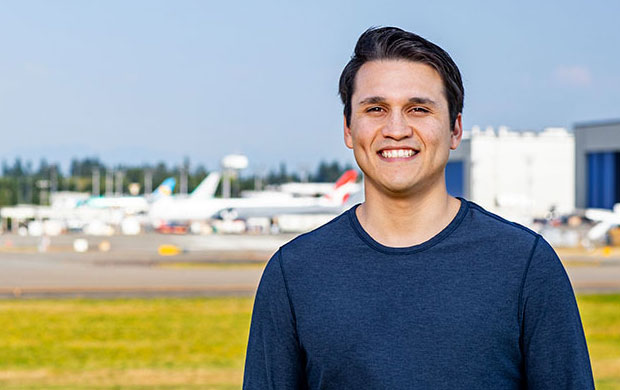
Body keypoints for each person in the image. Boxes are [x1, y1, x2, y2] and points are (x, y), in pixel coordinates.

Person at [243, 26, 594, 389]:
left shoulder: (525, 265)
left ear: (455, 129)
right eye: (376, 108)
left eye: (418, 109)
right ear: (348, 129)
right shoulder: (294, 273)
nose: (396, 129)